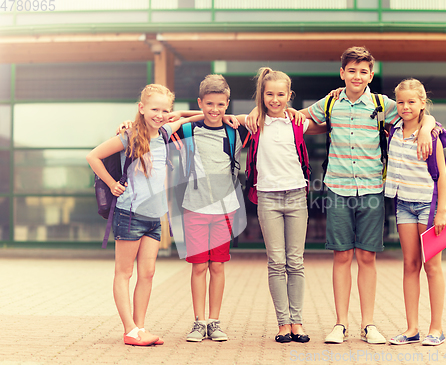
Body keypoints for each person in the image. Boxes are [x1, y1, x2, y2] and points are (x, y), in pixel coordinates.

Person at [295, 46, 436, 344]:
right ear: (342, 73)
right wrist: (261, 110)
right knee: (342, 255)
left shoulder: (382, 103)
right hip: (337, 189)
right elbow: (301, 119)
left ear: (371, 74)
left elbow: (419, 111)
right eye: (351, 70)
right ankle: (340, 324)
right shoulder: (330, 102)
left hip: (372, 189)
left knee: (367, 257)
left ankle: (368, 324)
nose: (357, 76)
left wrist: (427, 128)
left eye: (363, 71)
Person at [86, 84, 192, 346]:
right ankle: (130, 330)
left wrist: (173, 114)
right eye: (154, 109)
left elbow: (198, 115)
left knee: (147, 274)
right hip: (130, 214)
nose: (160, 114)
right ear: (141, 108)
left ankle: (140, 328)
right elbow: (93, 156)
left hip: (155, 217)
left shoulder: (166, 131)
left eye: (165, 110)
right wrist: (112, 184)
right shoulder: (129, 136)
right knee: (124, 273)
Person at [237, 67, 326, 343]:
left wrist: (309, 110)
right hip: (268, 197)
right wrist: (173, 117)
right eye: (269, 94)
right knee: (276, 262)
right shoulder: (253, 122)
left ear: (289, 95)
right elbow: (213, 115)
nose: (275, 99)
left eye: (280, 94)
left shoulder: (298, 122)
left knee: (295, 262)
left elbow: (333, 123)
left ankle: (297, 322)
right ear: (261, 96)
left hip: (297, 196)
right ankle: (283, 324)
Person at [179, 74, 243, 342]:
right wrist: (196, 115)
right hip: (194, 208)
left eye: (220, 104)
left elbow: (262, 118)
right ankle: (199, 322)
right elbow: (171, 118)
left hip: (225, 209)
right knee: (198, 267)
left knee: (217, 266)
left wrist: (232, 119)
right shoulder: (188, 131)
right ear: (200, 103)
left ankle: (214, 322)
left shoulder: (234, 132)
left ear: (228, 103)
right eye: (208, 104)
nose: (215, 110)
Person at [385, 79, 446, 346]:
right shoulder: (393, 129)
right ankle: (412, 329)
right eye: (400, 102)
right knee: (410, 265)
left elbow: (442, 177)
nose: (405, 106)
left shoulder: (432, 134)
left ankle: (436, 329)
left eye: (411, 101)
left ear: (423, 103)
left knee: (432, 267)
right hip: (404, 206)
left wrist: (441, 211)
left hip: (428, 207)